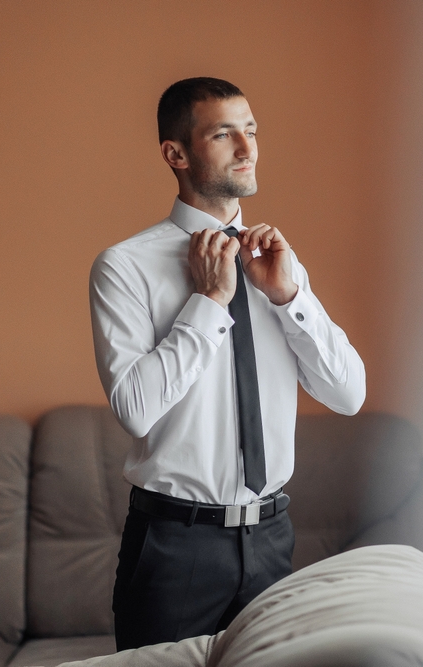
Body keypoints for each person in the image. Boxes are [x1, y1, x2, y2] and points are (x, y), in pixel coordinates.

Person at [89, 77, 365, 650]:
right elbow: (135, 410)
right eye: (224, 133)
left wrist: (290, 299)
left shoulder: (279, 265)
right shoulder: (124, 268)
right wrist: (209, 301)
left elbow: (348, 394)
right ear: (176, 153)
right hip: (173, 547)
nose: (248, 148)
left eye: (252, 130)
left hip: (272, 540)